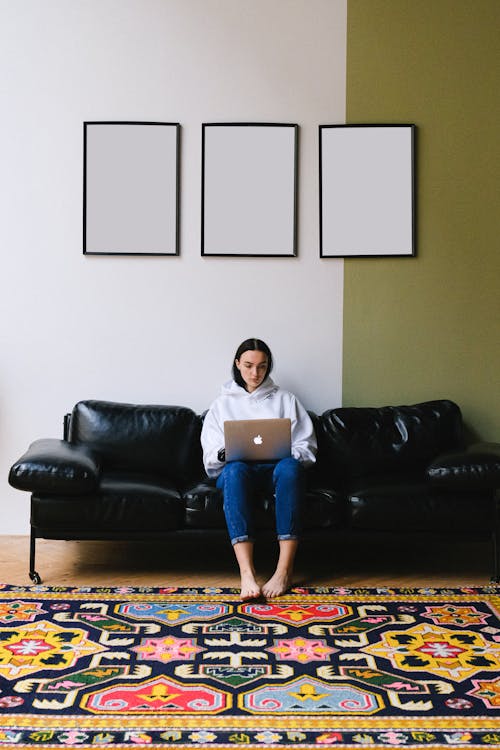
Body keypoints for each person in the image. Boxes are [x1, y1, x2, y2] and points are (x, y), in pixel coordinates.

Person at [201, 338, 317, 601]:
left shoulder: (286, 400)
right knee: (234, 470)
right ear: (237, 364)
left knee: (290, 468)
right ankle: (247, 573)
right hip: (238, 473)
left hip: (277, 470)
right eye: (249, 366)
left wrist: (283, 450)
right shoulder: (221, 405)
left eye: (262, 367)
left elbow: (307, 449)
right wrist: (229, 450)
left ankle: (283, 571)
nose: (255, 373)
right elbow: (210, 459)